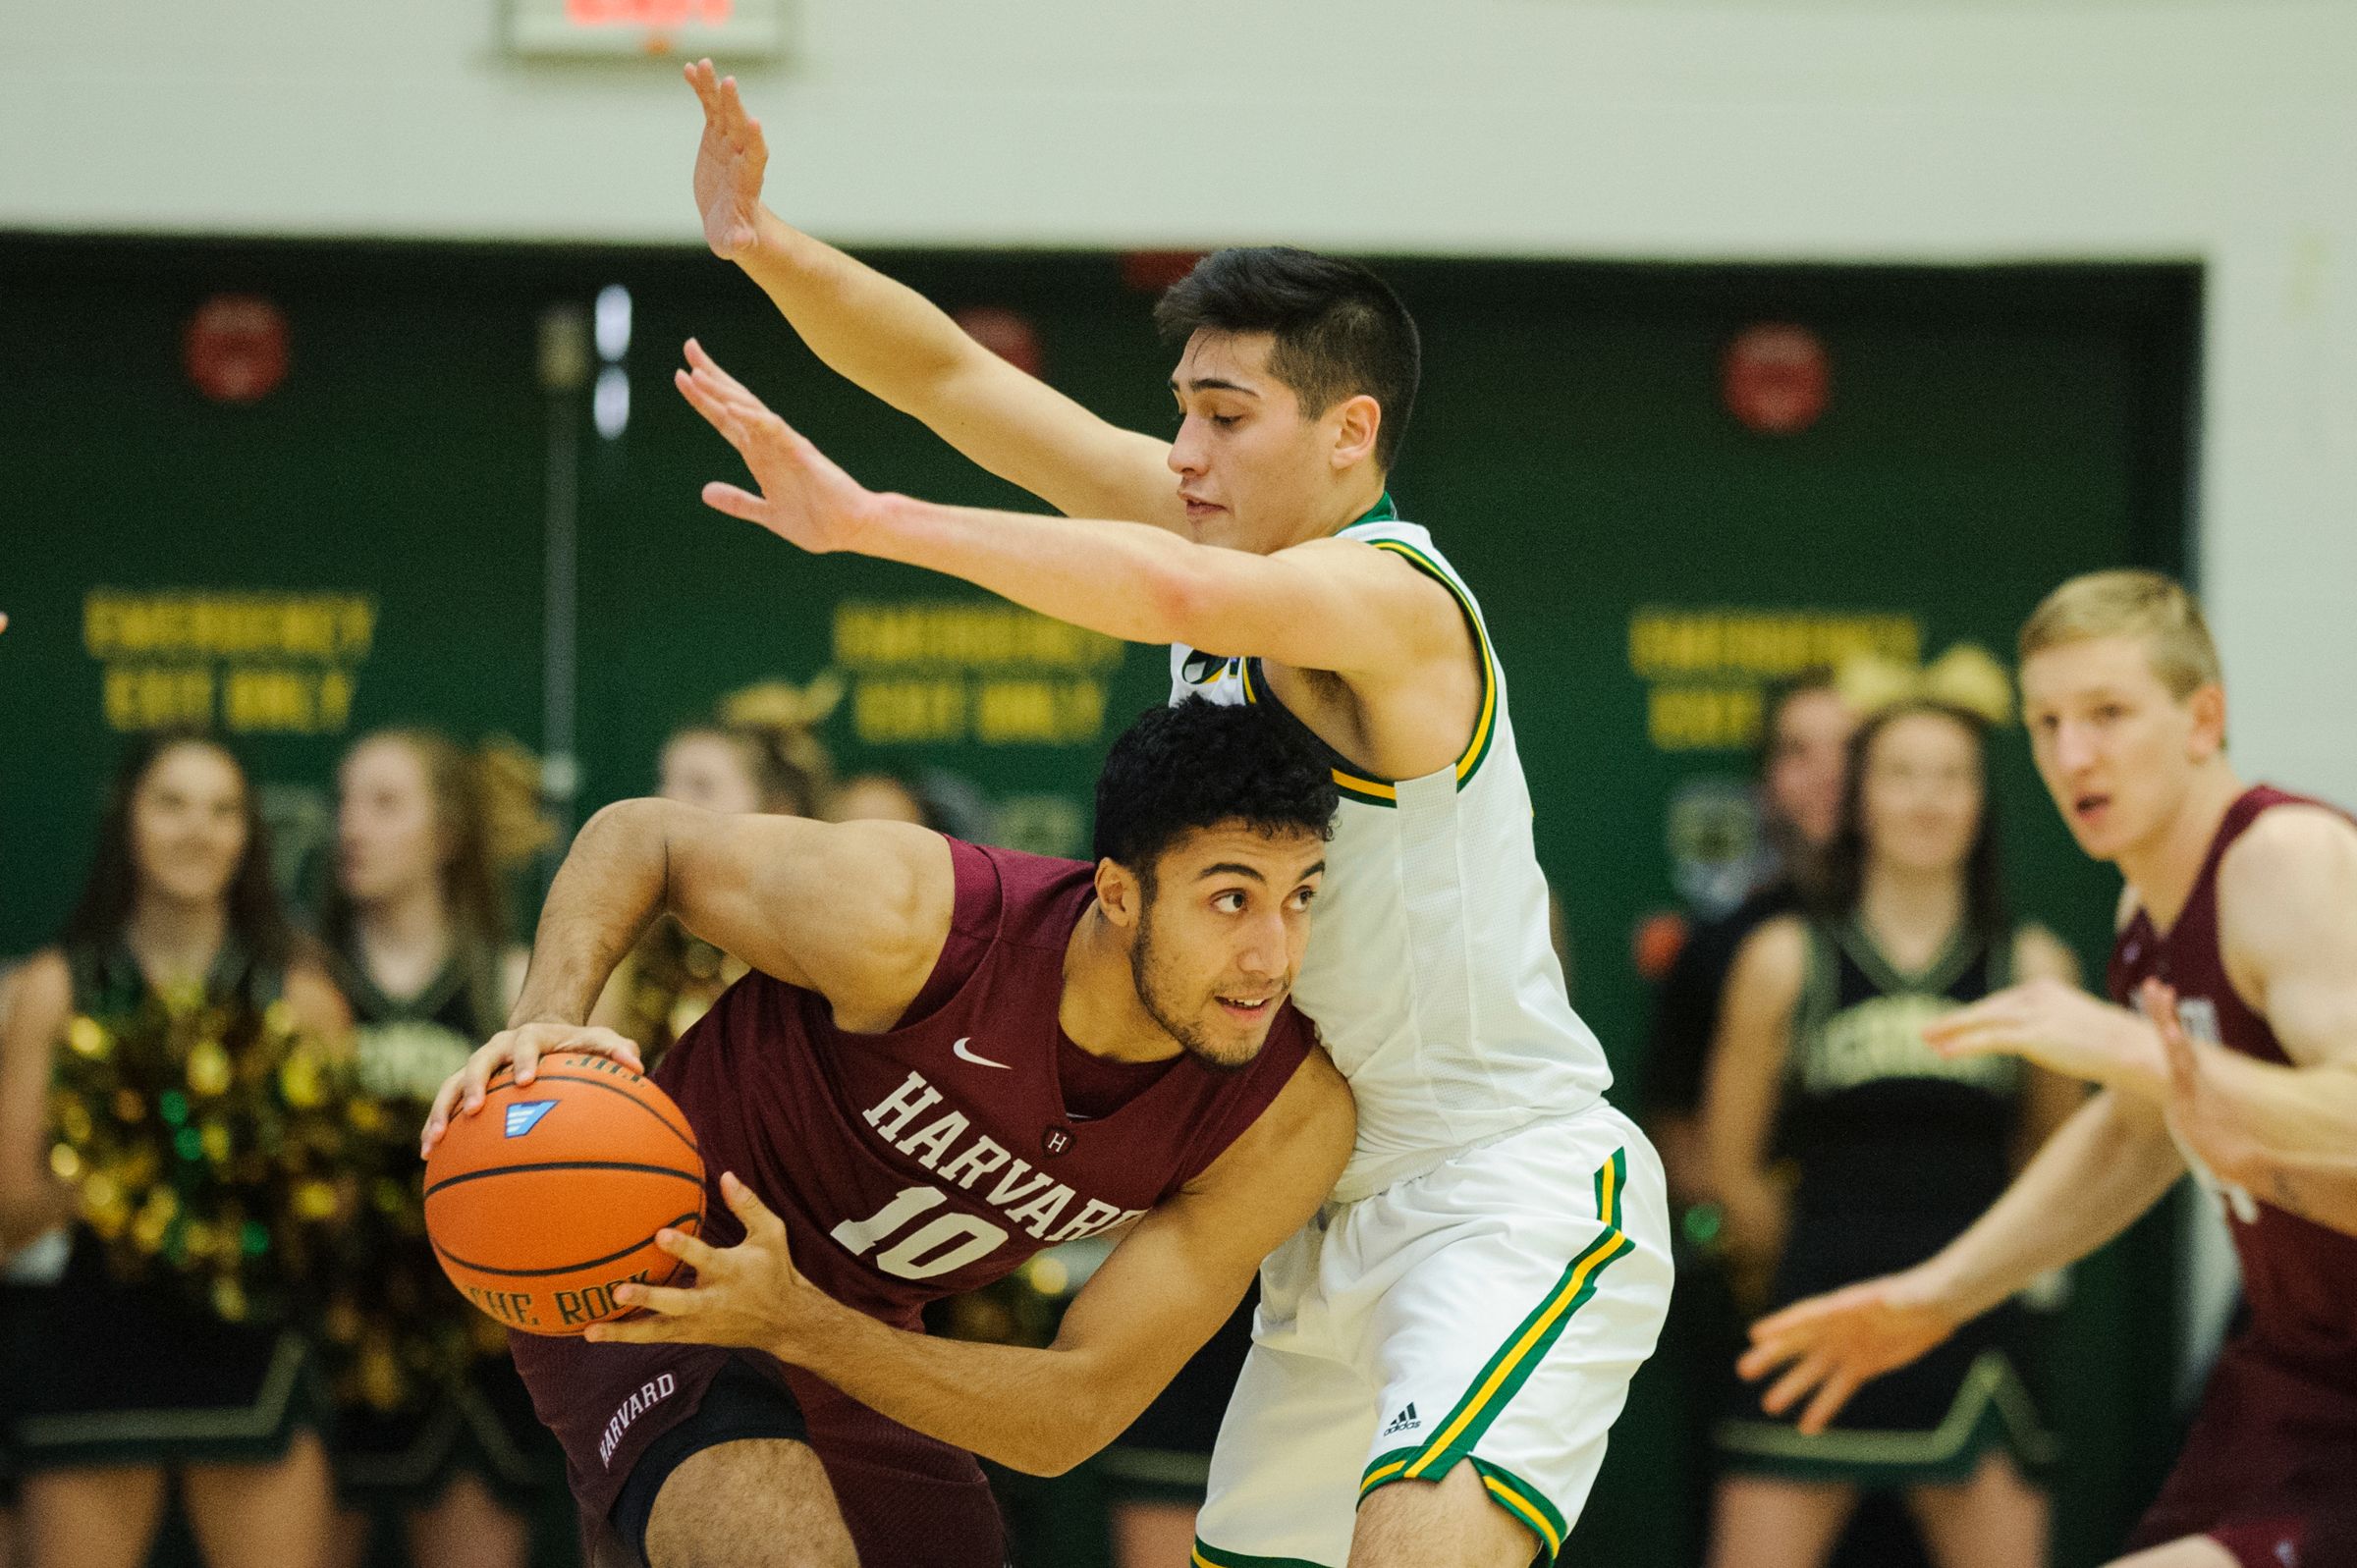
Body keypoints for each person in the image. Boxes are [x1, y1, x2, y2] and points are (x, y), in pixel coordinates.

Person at [674, 62, 1675, 1568]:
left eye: (1225, 415)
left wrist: (875, 524)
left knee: (1420, 1543)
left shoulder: (1392, 600)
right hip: (1310, 1199)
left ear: (1349, 432)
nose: (1185, 456)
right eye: (1179, 417)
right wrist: (764, 241)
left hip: (1497, 1182)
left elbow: (1187, 589)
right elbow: (959, 385)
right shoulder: (1220, 520)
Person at [420, 699, 1357, 1568]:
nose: (1271, 954)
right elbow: (644, 836)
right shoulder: (917, 921)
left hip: (850, 1335)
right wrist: (539, 1024)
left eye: (1300, 897)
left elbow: (1069, 1413)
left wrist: (798, 1320)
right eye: (1231, 899)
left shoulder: (1282, 1121)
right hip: (651, 1267)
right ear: (1118, 893)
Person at [1739, 571, 2357, 1568]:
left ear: (2204, 718)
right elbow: (2132, 1131)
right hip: (2301, 1375)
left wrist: (2139, 1049)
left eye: (2109, 714)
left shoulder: (2283, 861)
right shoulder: (2145, 912)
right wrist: (1935, 1295)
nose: (2074, 755)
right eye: (2047, 722)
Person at [1702, 692, 2082, 1568]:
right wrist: (1805, 1267)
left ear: (1983, 802)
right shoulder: (1784, 959)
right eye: (1902, 774)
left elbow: (2058, 1166)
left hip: (1975, 1330)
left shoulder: (2034, 968)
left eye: (1952, 776)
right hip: (1817, 1323)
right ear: (1860, 797)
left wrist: (1989, 1274)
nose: (1928, 798)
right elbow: (1732, 1166)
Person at [0, 732, 352, 1568]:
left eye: (222, 808)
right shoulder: (58, 984)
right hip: (94, 1350)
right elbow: (10, 1211)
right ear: (128, 819)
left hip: (255, 1351)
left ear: (248, 835)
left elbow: (335, 1209)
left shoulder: (299, 994)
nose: (197, 828)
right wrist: (135, 1167)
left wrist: (250, 1170)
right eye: (172, 803)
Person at [319, 730, 559, 1568]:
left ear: (447, 833)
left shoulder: (514, 983)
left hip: (474, 1354)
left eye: (384, 804)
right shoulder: (300, 984)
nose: (353, 826)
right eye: (345, 801)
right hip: (331, 1342)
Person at [1647, 671, 1855, 1206]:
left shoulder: (1951, 936)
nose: (1826, 774)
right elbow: (1676, 1130)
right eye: (1797, 753)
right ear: (1764, 783)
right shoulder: (1718, 944)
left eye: (1849, 750)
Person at [592, 699, 830, 1069]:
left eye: (701, 787)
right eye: (665, 783)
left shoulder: (815, 949)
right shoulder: (631, 938)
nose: (667, 805)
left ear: (779, 811)